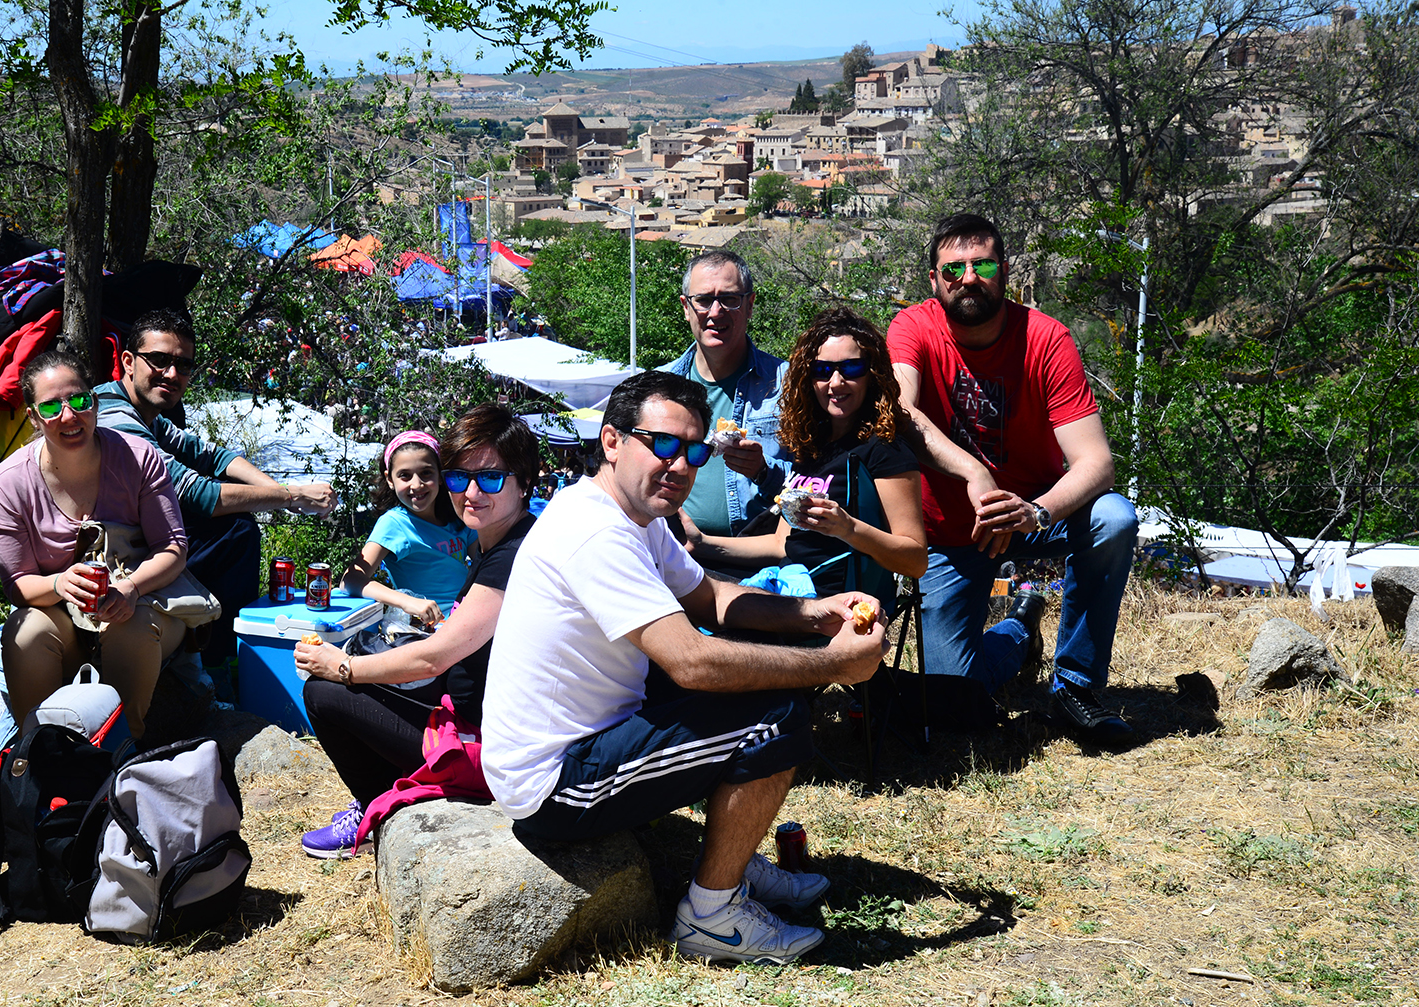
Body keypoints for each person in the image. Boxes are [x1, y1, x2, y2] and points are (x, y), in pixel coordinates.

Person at [483, 371, 889, 966]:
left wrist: (810, 612)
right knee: (773, 716)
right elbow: (692, 662)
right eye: (663, 444)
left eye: (695, 451)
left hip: (594, 741)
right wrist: (828, 665)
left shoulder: (635, 517)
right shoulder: (595, 531)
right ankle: (712, 916)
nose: (680, 465)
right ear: (612, 441)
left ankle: (733, 856)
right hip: (555, 784)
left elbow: (712, 599)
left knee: (753, 692)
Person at [887, 213, 1139, 740]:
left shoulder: (1046, 339)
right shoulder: (913, 328)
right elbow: (899, 411)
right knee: (956, 694)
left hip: (1030, 517)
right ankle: (1018, 633)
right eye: (952, 268)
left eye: (982, 264)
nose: (968, 277)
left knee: (1113, 518)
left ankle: (1074, 687)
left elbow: (1098, 464)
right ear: (933, 281)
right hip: (951, 533)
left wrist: (1036, 510)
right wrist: (974, 472)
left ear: (1005, 272)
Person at [294, 407, 540, 858]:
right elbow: (359, 578)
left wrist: (344, 666)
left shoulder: (513, 554)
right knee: (375, 685)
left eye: (489, 479)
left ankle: (373, 809)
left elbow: (434, 657)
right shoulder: (499, 539)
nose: (470, 491)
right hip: (474, 710)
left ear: (524, 481)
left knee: (325, 693)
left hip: (487, 747)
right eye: (459, 477)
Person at [94, 310, 335, 699]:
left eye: (183, 365)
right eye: (159, 360)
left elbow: (212, 456)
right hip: (117, 557)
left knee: (237, 523)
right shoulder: (115, 417)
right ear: (127, 361)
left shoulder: (145, 413)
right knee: (236, 530)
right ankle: (218, 662)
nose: (171, 374)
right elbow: (197, 494)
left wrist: (281, 493)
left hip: (143, 537)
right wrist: (292, 495)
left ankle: (218, 649)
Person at [0, 351, 189, 742]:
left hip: (142, 606)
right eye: (50, 407)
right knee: (23, 633)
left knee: (131, 626)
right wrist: (60, 584)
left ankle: (120, 754)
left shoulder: (138, 457)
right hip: (60, 619)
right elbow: (18, 584)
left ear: (94, 401)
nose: (69, 416)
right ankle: (40, 755)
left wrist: (130, 589)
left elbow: (173, 548)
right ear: (32, 417)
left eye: (79, 400)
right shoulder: (9, 484)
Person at [680, 306, 927, 599]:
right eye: (822, 370)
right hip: (788, 588)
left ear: (871, 373)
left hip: (836, 606)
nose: (835, 382)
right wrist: (703, 543)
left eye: (851, 368)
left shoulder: (886, 448)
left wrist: (847, 529)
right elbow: (781, 543)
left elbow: (915, 560)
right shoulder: (812, 444)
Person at [657, 250, 790, 538]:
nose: (716, 312)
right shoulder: (658, 388)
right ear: (685, 307)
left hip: (759, 559)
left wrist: (764, 472)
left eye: (729, 299)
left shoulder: (788, 385)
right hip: (675, 555)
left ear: (750, 304)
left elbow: (820, 480)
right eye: (703, 300)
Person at [340, 431, 476, 628]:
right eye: (405, 476)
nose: (416, 484)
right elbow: (350, 580)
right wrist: (407, 601)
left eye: (426, 473)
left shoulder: (459, 517)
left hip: (470, 618)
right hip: (431, 629)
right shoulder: (394, 523)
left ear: (440, 475)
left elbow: (484, 566)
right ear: (389, 479)